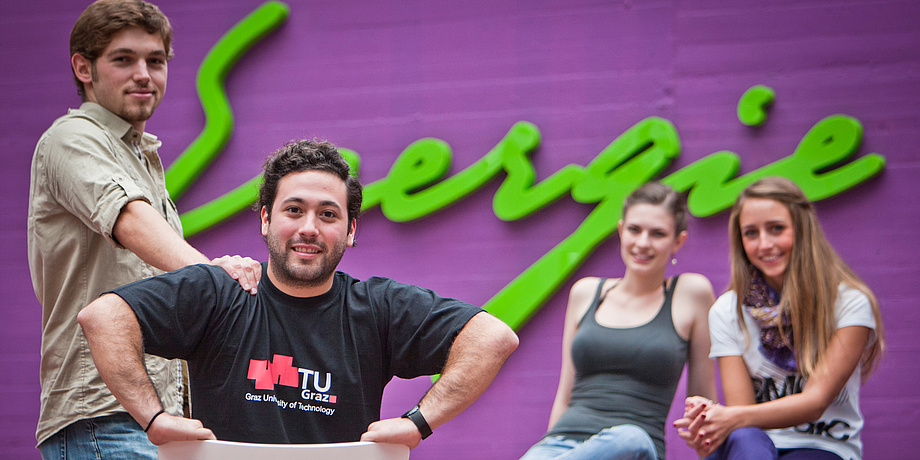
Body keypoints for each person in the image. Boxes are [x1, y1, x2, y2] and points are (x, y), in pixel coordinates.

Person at [77, 139, 519, 449]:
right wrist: (154, 419)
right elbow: (103, 318)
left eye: (328, 214)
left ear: (350, 231)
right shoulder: (219, 292)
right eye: (294, 210)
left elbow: (493, 338)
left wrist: (418, 424)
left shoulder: (379, 308)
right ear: (266, 219)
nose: (309, 227)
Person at [27, 1, 260, 458]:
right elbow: (128, 219)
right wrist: (219, 276)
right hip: (101, 414)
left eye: (155, 61)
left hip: (154, 416)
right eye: (123, 59)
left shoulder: (139, 157)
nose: (143, 74)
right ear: (83, 67)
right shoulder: (72, 136)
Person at [675, 177, 885, 460]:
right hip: (754, 445)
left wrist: (724, 418)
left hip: (823, 447)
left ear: (802, 229)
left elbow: (814, 403)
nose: (765, 244)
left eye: (776, 229)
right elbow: (744, 418)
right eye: (751, 233)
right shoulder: (727, 310)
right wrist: (707, 426)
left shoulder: (849, 303)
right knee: (745, 440)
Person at [519, 182, 717, 460]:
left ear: (677, 241)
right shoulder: (586, 293)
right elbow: (565, 396)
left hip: (634, 447)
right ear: (621, 230)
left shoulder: (691, 293)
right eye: (635, 230)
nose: (643, 243)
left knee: (629, 437)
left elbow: (703, 399)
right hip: (561, 445)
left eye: (658, 233)